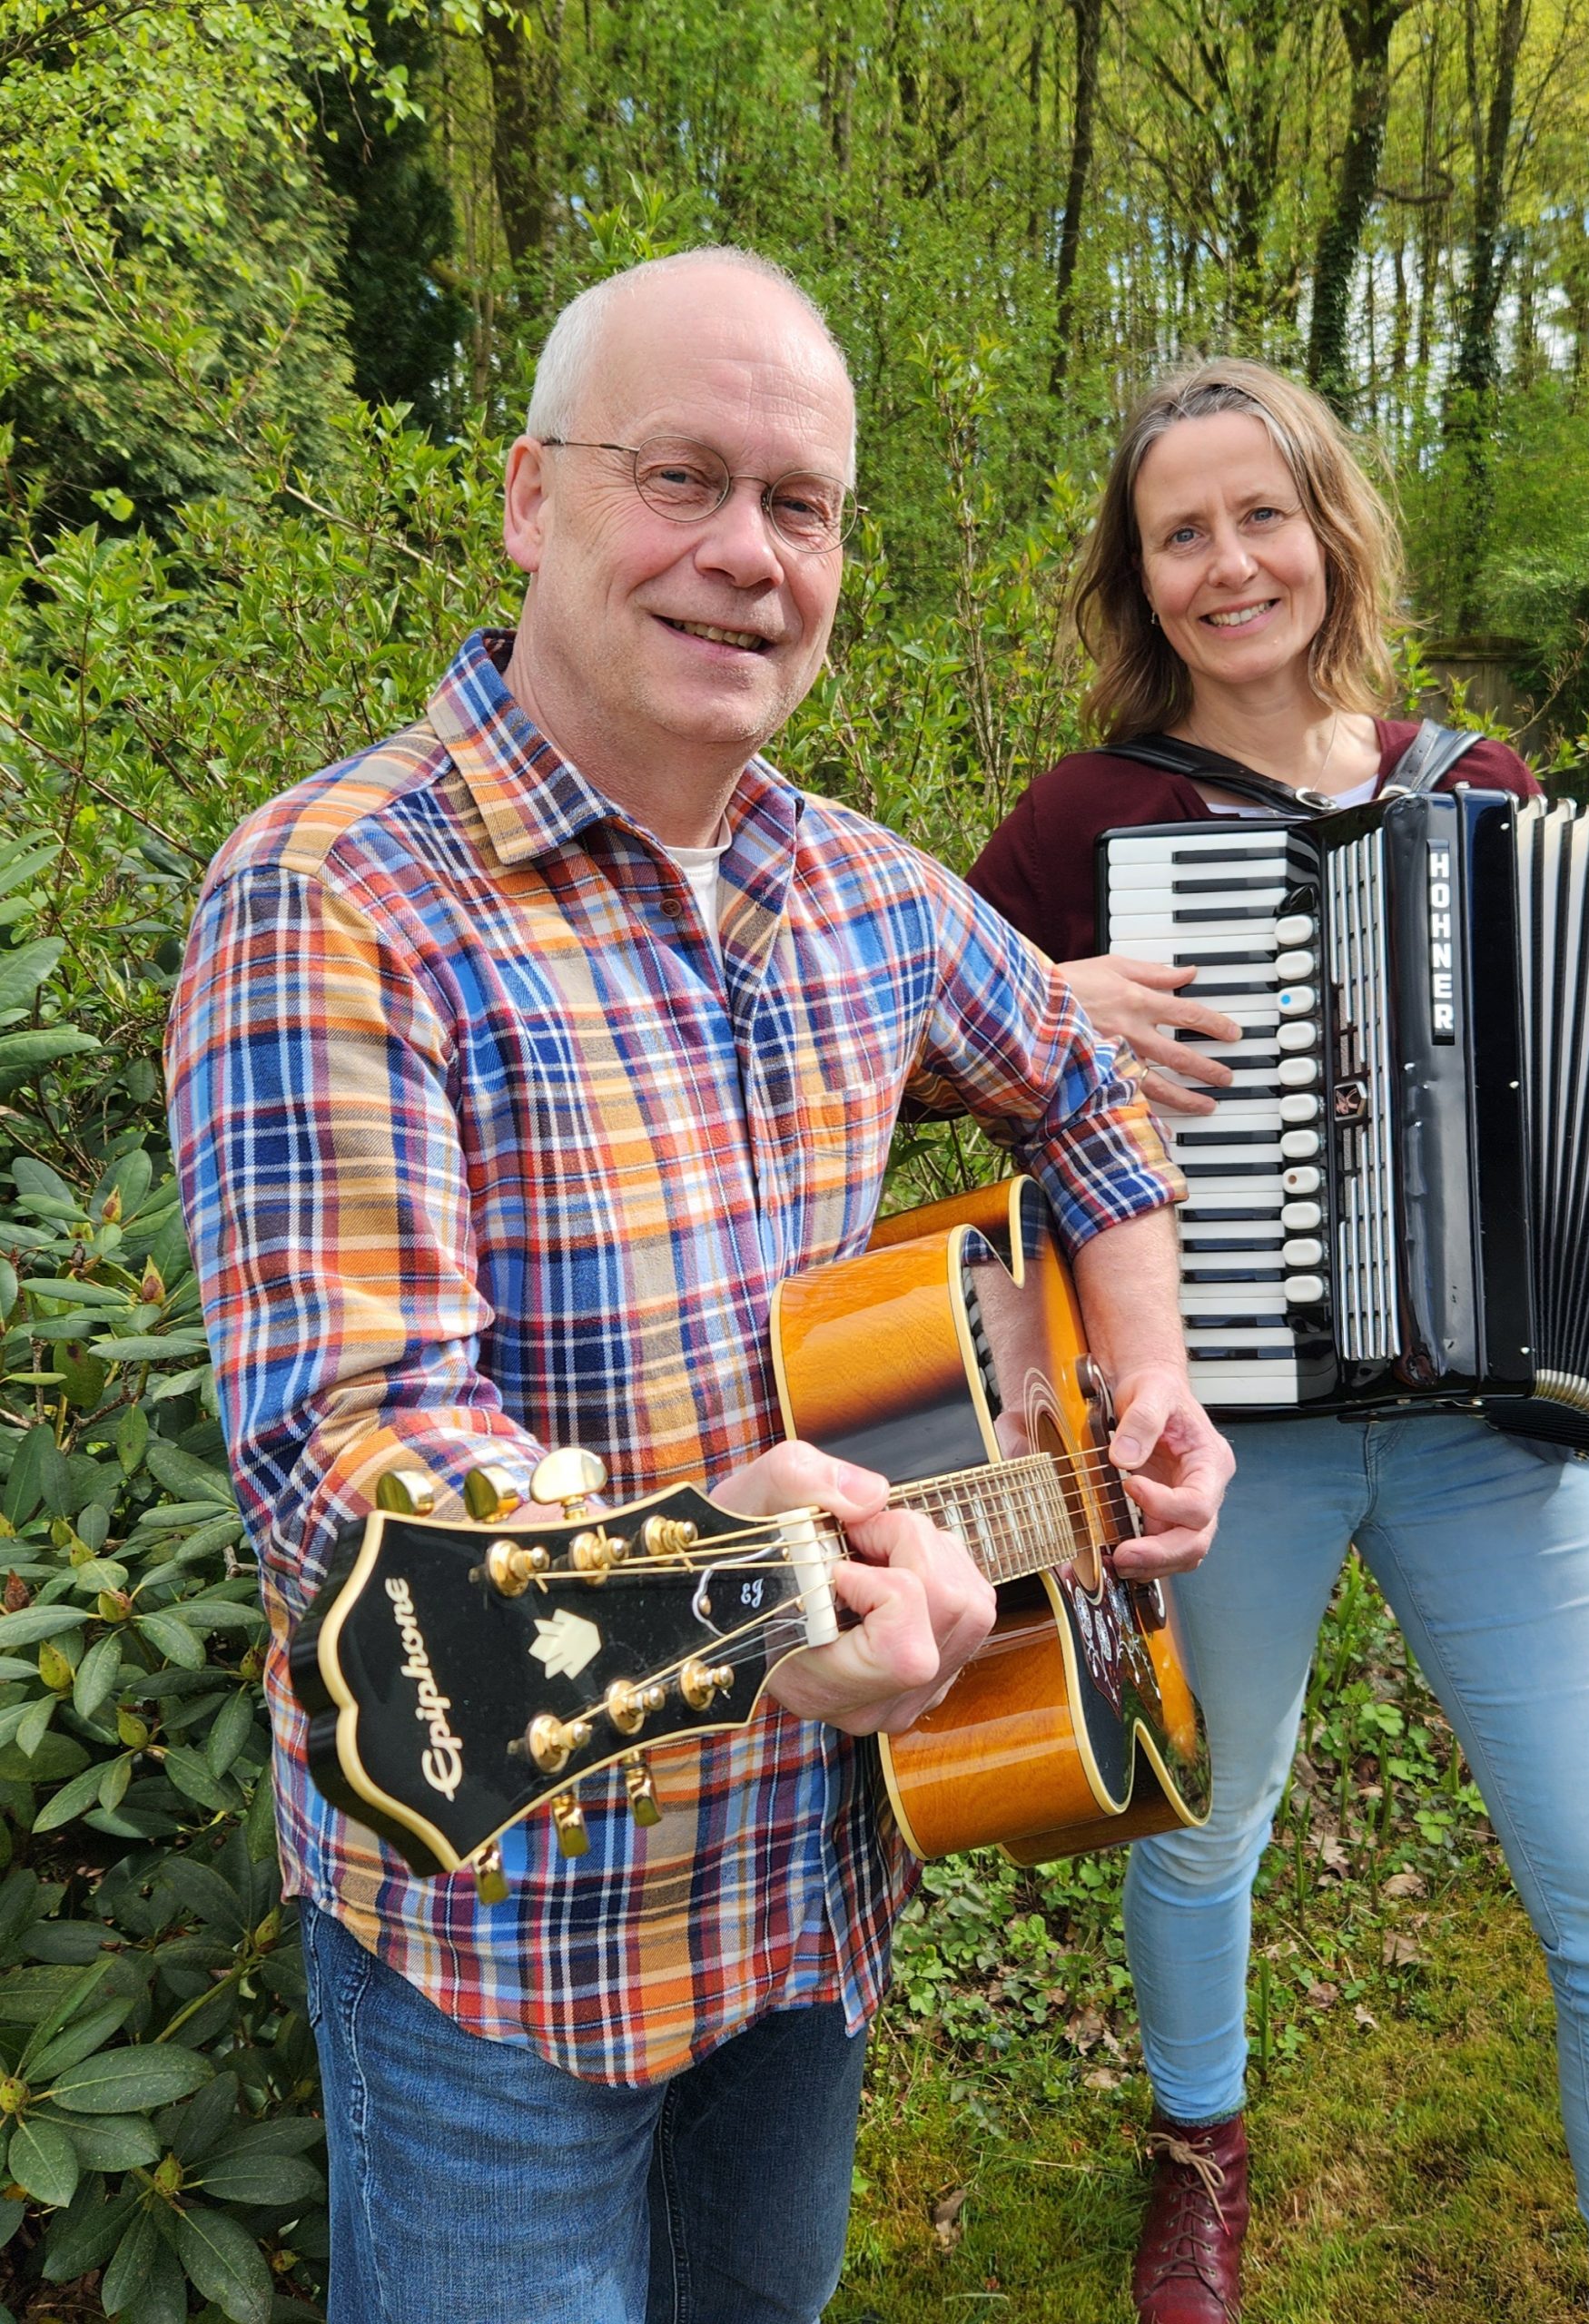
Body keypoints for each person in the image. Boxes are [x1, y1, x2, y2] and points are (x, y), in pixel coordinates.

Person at [164, 251, 1232, 2324]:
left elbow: (1090, 1101)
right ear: (527, 496)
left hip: (817, 1890)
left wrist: (1153, 1383)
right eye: (681, 476)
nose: (746, 555)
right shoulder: (335, 893)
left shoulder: (865, 892)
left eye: (800, 504)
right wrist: (731, 1593)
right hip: (509, 1941)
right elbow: (347, 1462)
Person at [965, 355, 1589, 2324]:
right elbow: (900, 1053)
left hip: (1491, 1436)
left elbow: (1581, 1115)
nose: (1230, 563)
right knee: (1207, 1824)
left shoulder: (1475, 788)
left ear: (1331, 526)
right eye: (1181, 532)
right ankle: (1198, 2143)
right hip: (1224, 1432)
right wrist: (1047, 996)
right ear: (1141, 580)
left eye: (1261, 514)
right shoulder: (1084, 817)